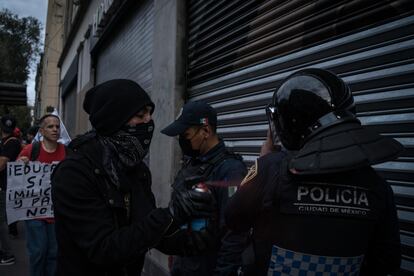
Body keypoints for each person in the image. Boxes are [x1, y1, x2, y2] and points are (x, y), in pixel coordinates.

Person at [225, 68, 403, 275]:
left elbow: (233, 219)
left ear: (287, 123)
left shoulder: (270, 168)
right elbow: (387, 262)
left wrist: (264, 162)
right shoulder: (377, 186)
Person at [50, 79, 215, 276]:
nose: (149, 121)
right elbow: (104, 249)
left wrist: (189, 242)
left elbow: (147, 231)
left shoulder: (137, 170)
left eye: (150, 114)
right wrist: (169, 214)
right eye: (140, 115)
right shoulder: (74, 173)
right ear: (114, 120)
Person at [161, 101, 248, 276]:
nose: (182, 141)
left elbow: (235, 233)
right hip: (183, 265)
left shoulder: (231, 170)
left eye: (185, 135)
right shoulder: (193, 162)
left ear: (206, 131)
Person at [17, 114, 66, 276]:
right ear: (42, 130)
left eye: (57, 127)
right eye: (50, 126)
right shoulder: (31, 150)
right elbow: (16, 176)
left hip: (56, 212)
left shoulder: (66, 152)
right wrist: (20, 164)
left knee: (53, 253)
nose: (55, 130)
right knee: (38, 252)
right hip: (34, 212)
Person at [0, 115, 20, 265]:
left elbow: (2, 163)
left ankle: (6, 253)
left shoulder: (11, 143)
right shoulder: (6, 141)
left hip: (5, 186)